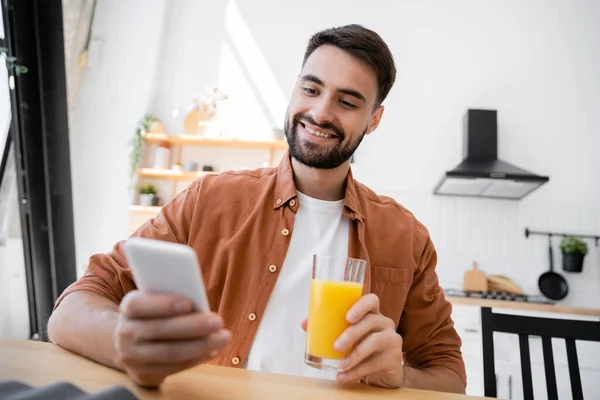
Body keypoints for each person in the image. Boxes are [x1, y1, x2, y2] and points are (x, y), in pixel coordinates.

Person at [48, 24, 466, 393]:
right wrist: (124, 340)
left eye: (348, 101)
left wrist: (401, 376)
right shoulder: (210, 200)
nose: (320, 112)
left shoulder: (406, 236)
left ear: (374, 119)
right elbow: (75, 305)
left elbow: (450, 374)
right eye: (311, 88)